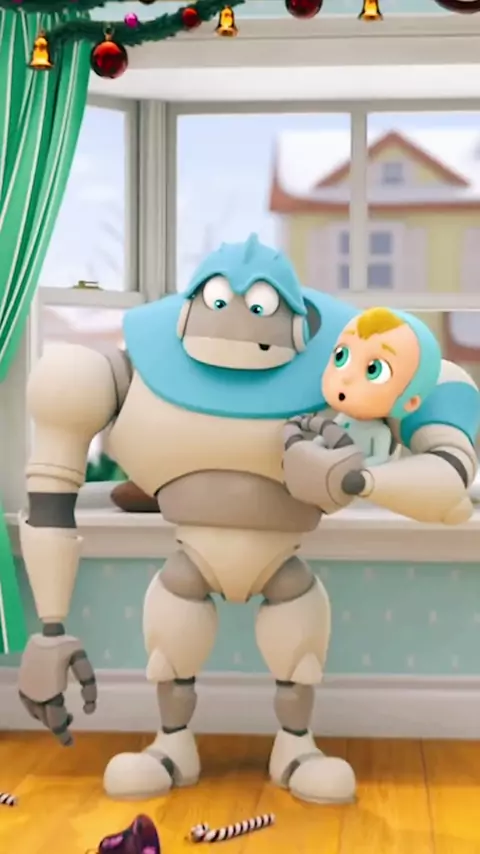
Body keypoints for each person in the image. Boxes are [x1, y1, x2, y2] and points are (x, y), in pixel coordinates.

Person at [318, 306, 442, 467]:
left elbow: (380, 460)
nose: (347, 378)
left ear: (409, 401)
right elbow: (325, 436)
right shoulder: (342, 419)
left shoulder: (380, 433)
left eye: (374, 370)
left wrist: (353, 467)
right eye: (341, 356)